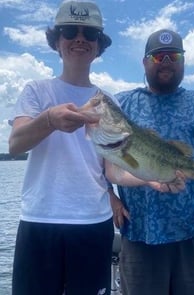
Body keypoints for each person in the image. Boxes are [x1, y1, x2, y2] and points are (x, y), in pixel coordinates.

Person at [106, 29, 194, 295]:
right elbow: (97, 159)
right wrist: (109, 196)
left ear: (183, 62)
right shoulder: (122, 104)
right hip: (139, 236)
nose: (166, 62)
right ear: (144, 63)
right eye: (157, 57)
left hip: (193, 234)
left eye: (173, 56)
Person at [8, 1, 115, 294]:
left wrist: (156, 179)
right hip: (39, 221)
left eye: (89, 34)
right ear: (57, 42)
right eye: (70, 31)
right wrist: (49, 119)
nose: (80, 38)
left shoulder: (108, 102)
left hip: (94, 222)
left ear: (99, 45)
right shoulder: (36, 90)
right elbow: (15, 144)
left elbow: (113, 169)